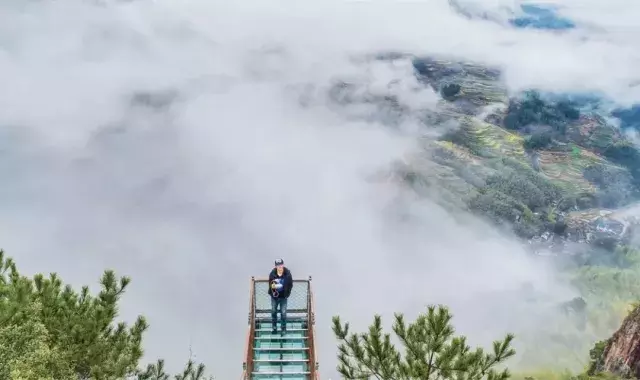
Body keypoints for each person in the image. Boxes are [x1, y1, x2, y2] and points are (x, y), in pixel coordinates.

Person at [268, 258, 293, 334]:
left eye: (281, 265)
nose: (280, 267)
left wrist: (287, 294)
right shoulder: (272, 274)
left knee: (283, 313)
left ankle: (283, 329)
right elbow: (270, 285)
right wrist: (274, 290)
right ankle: (274, 327)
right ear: (275, 266)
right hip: (274, 297)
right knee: (273, 311)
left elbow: (290, 285)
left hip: (283, 297)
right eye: (278, 265)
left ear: (283, 265)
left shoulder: (288, 274)